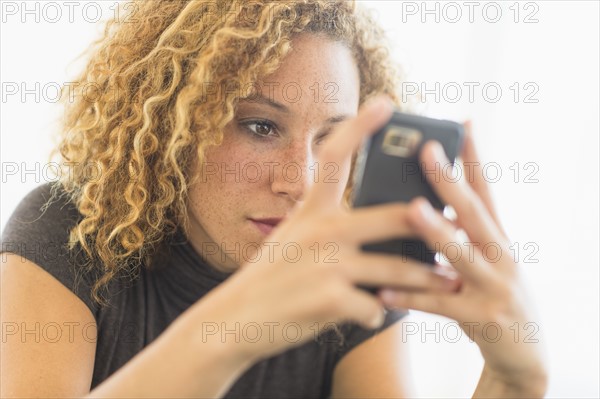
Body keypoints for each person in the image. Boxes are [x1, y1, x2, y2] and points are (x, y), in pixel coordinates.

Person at [0, 1, 547, 397]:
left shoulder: (350, 271)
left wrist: (516, 381)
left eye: (331, 138)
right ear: (176, 125)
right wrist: (233, 330)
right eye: (260, 127)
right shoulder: (69, 231)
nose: (302, 183)